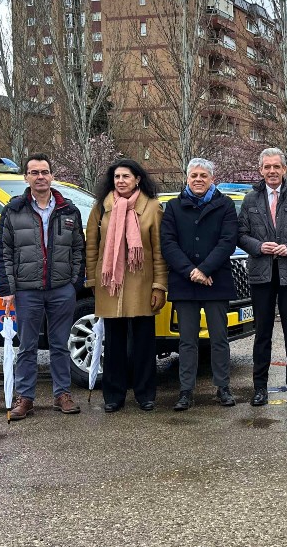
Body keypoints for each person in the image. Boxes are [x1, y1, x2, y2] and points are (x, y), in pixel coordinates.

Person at [0, 153, 86, 421]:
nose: (40, 177)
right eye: (34, 172)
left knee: (60, 344)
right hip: (27, 290)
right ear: (26, 177)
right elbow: (3, 251)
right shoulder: (13, 210)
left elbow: (78, 249)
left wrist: (74, 282)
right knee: (27, 346)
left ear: (52, 176)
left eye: (44, 172)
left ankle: (62, 395)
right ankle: (25, 398)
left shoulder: (69, 210)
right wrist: (7, 289)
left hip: (61, 289)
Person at [85, 159, 167, 413]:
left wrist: (159, 285)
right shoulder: (102, 207)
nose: (121, 181)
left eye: (126, 176)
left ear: (137, 179)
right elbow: (92, 246)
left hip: (142, 284)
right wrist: (92, 279)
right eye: (117, 177)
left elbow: (159, 251)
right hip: (110, 284)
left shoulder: (152, 207)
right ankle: (114, 395)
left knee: (143, 343)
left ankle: (145, 394)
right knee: (114, 343)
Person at [160, 158, 240, 411]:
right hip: (185, 282)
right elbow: (168, 244)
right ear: (187, 178)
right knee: (187, 340)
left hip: (216, 280)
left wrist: (204, 269)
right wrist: (191, 271)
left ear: (212, 179)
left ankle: (223, 387)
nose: (198, 179)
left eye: (203, 175)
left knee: (219, 338)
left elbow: (228, 241)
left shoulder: (225, 205)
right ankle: (186, 391)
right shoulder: (173, 207)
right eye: (194, 175)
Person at [238, 147, 287, 407]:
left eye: (276, 166)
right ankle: (260, 388)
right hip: (261, 275)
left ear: (285, 169)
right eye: (267, 167)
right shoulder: (250, 199)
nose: (272, 171)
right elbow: (241, 234)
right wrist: (259, 246)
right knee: (262, 333)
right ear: (260, 170)